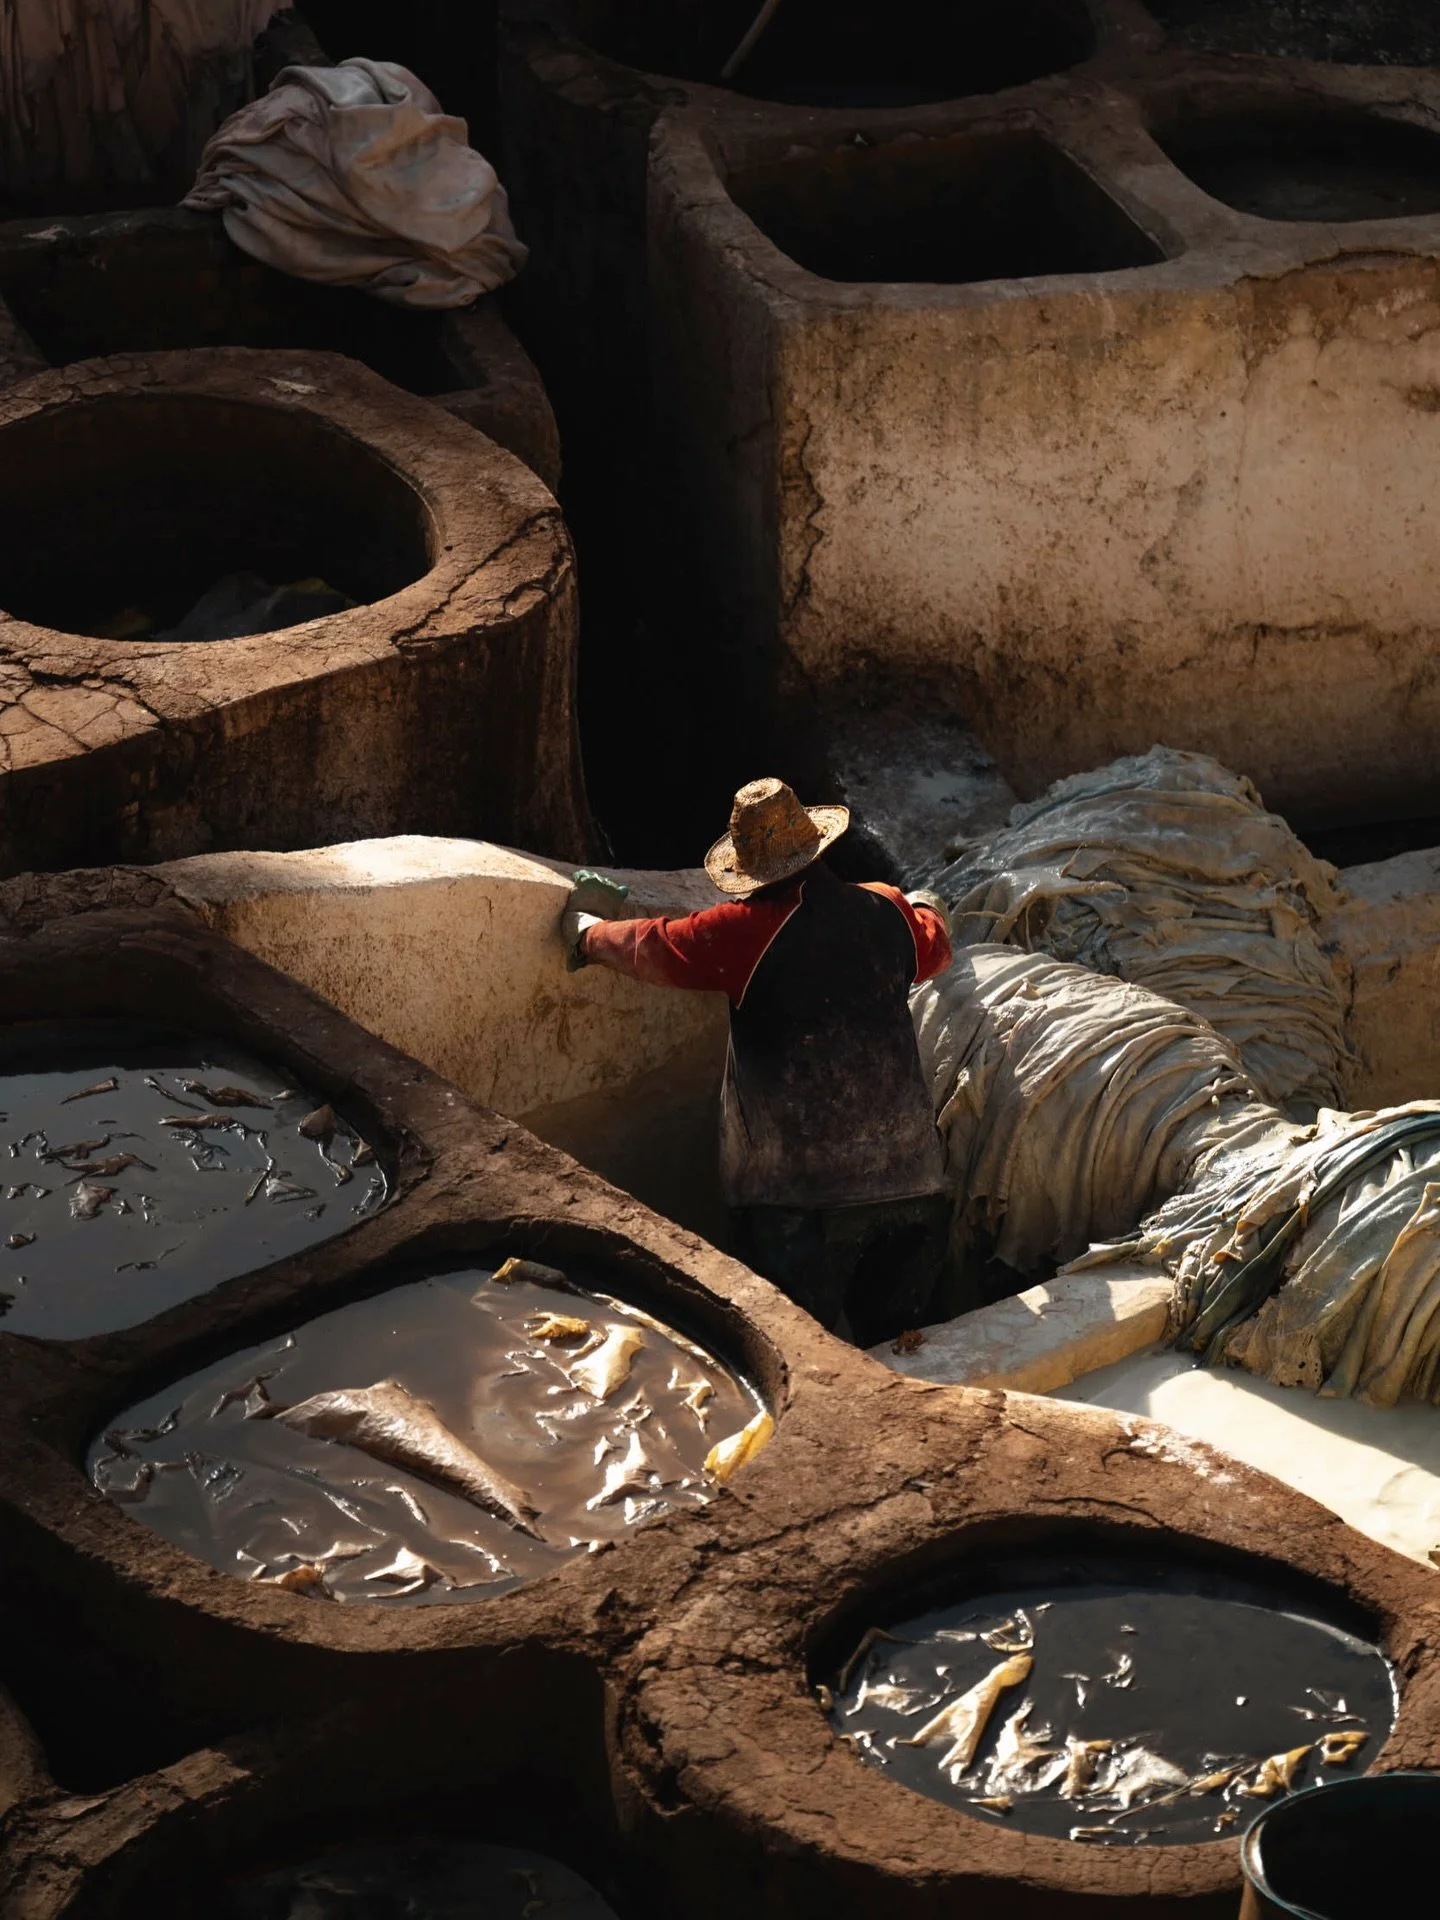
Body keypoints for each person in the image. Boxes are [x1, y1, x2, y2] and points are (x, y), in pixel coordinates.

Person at [561, 777, 954, 1344]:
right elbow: (935, 942)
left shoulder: (742, 935)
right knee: (909, 1350)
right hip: (915, 1184)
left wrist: (586, 932)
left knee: (792, 1355)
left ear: (749, 873)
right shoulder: (886, 909)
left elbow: (651, 945)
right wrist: (925, 903)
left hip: (799, 1205)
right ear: (816, 846)